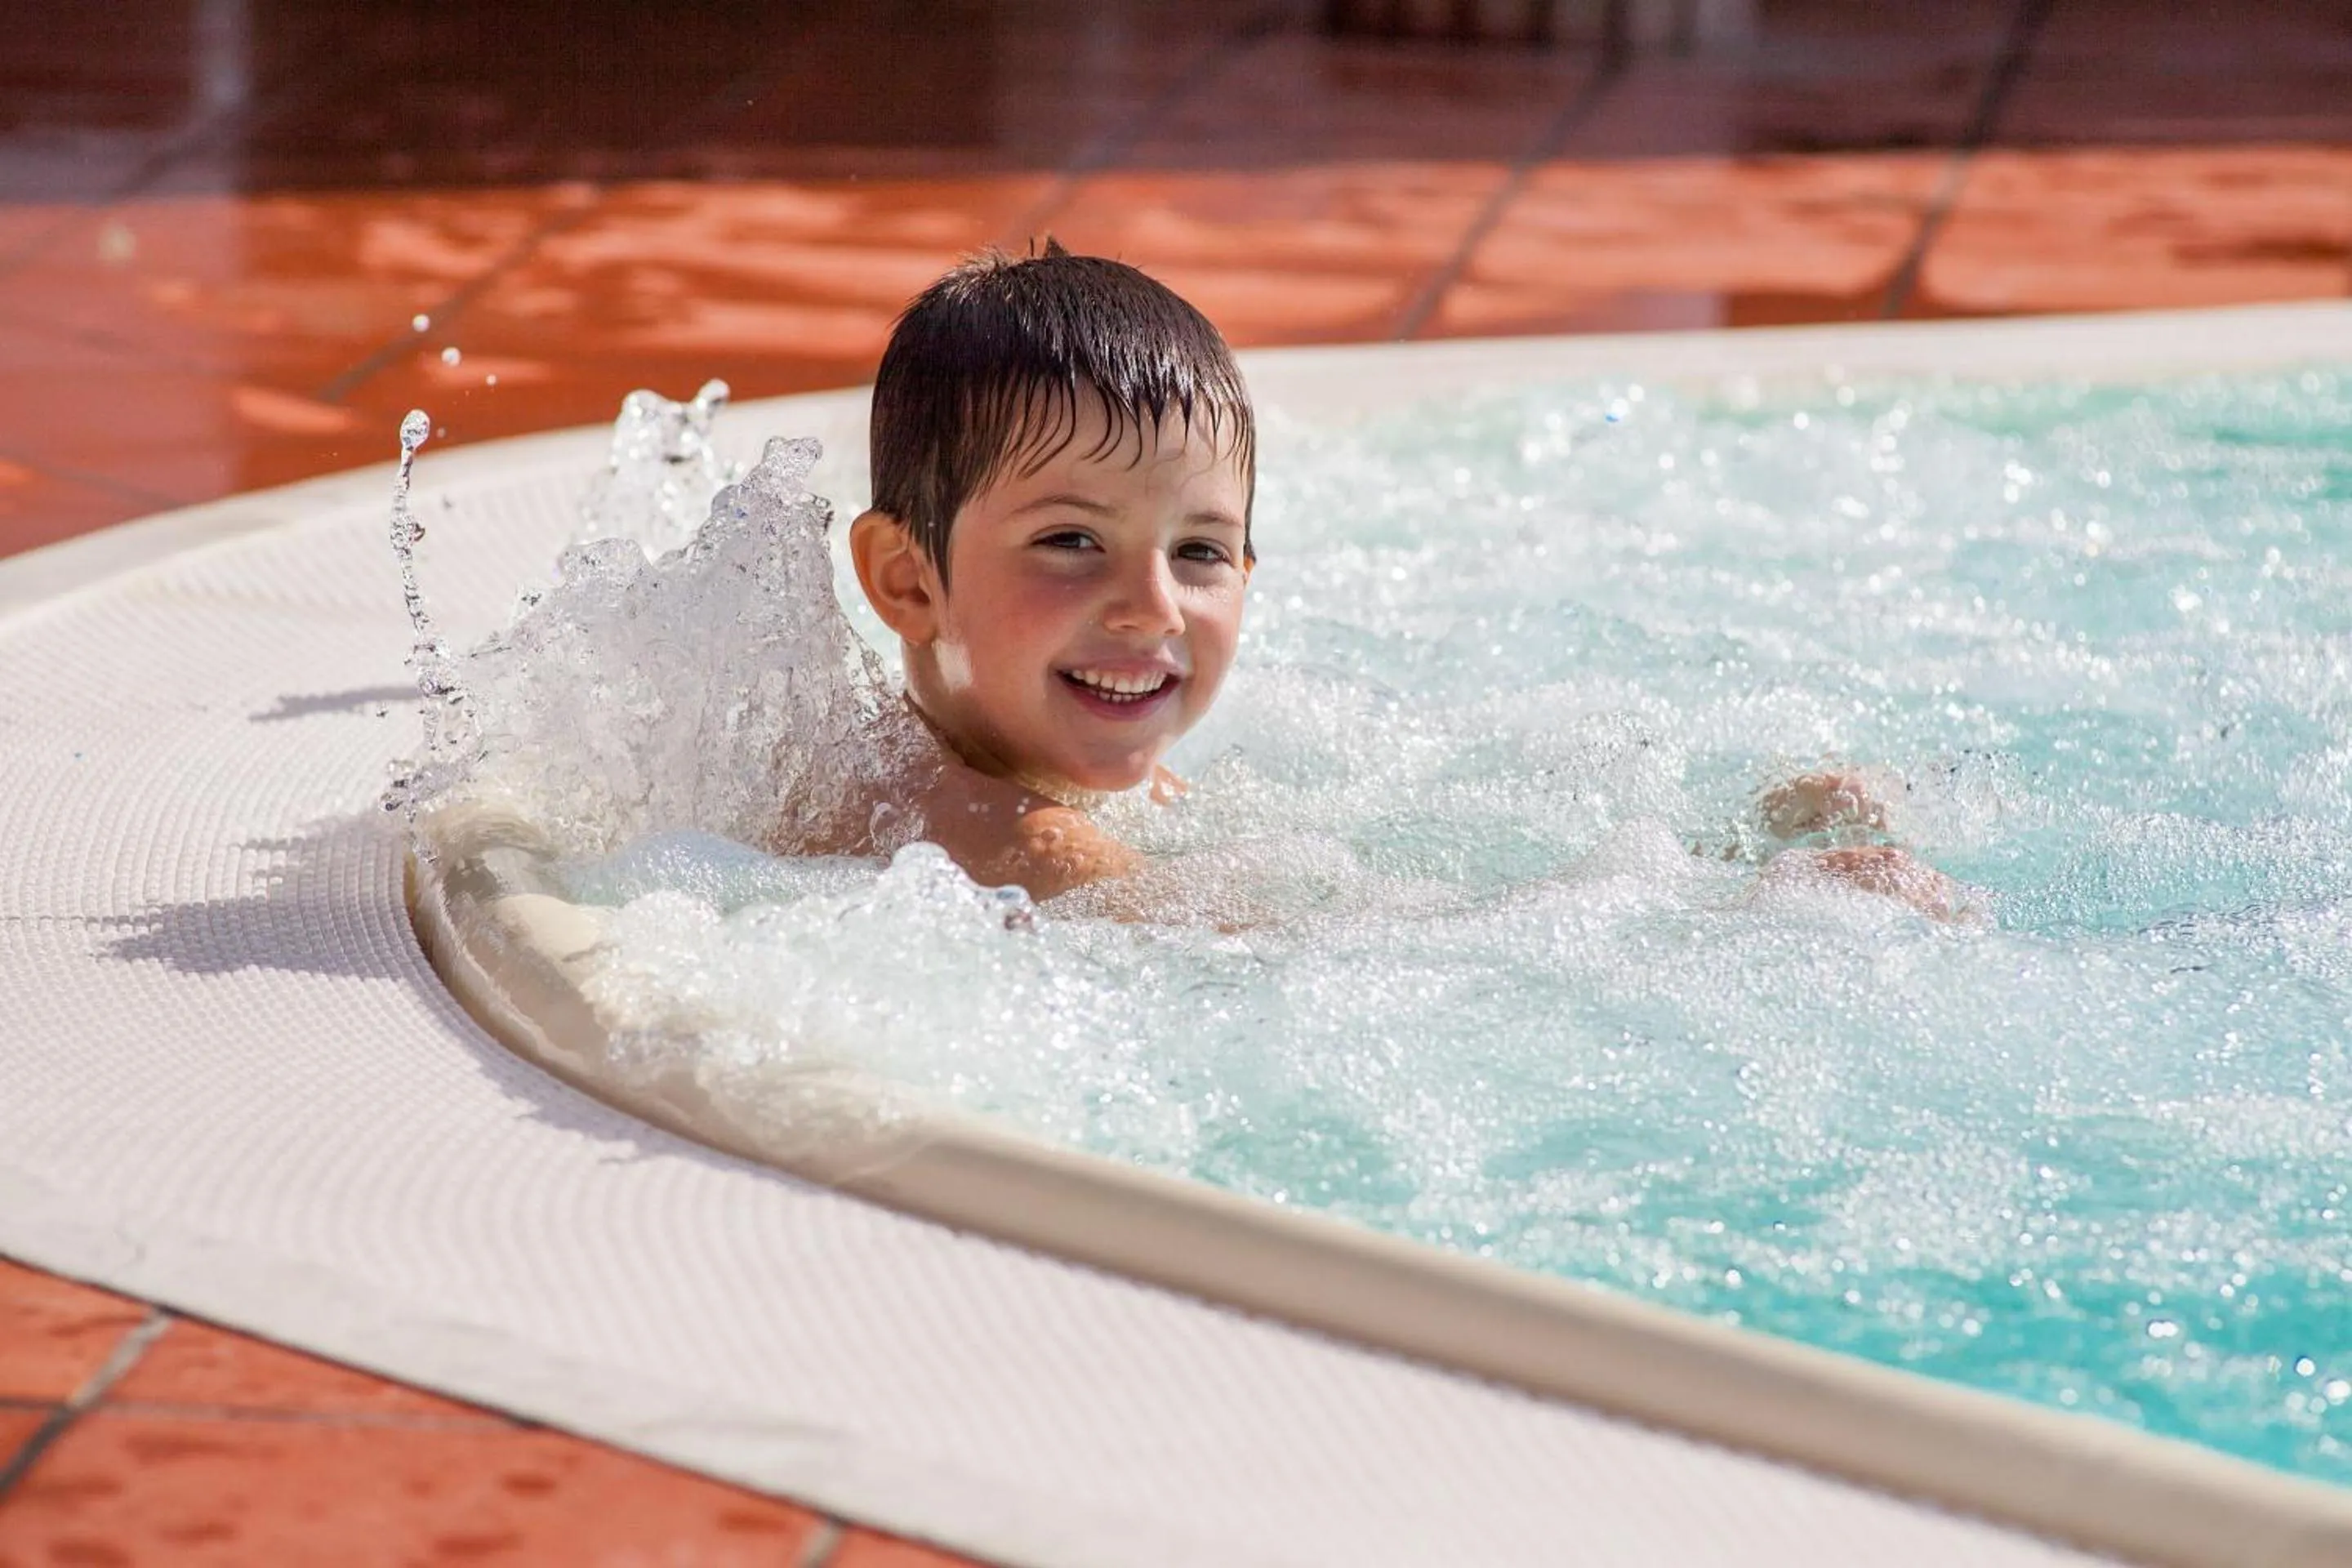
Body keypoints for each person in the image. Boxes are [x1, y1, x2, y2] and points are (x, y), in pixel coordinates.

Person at [842, 242, 1964, 921]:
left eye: (1199, 551)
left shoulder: (1007, 755)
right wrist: (1740, 908)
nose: (1154, 608)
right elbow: (1371, 958)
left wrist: (1718, 838)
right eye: (1071, 542)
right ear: (907, 582)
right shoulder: (1010, 844)